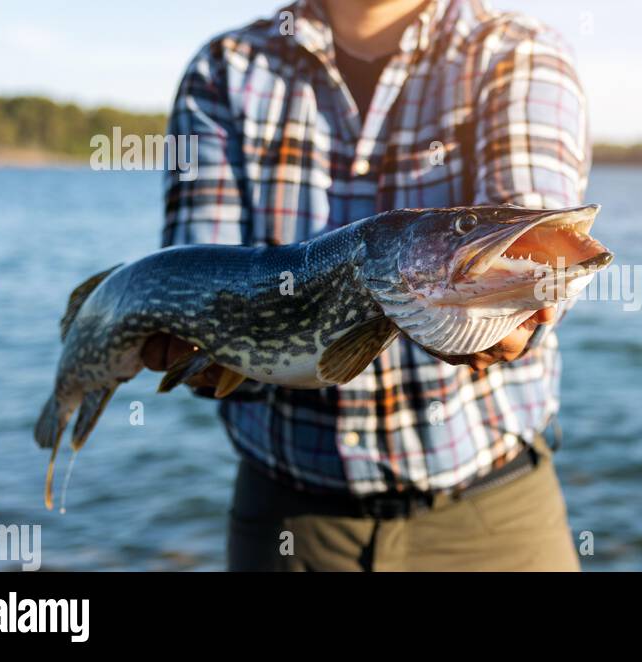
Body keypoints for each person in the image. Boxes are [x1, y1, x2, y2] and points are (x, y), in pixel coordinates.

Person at [145, 0, 590, 571]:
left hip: (495, 519)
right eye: (463, 228)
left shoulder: (514, 50)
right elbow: (203, 274)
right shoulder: (226, 68)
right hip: (289, 526)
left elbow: (531, 213)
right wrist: (205, 358)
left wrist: (512, 310)